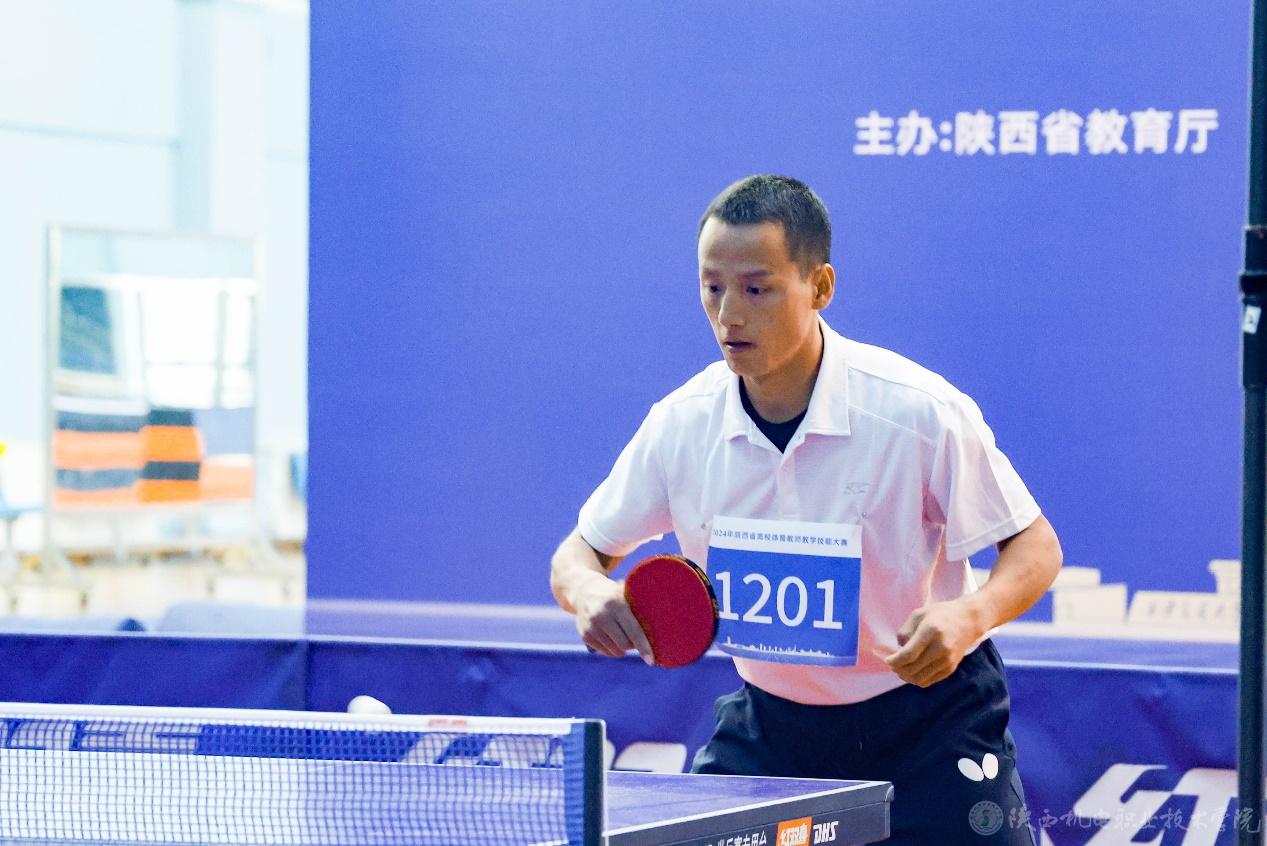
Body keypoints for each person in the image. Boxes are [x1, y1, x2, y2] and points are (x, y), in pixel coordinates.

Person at [549, 174, 1062, 844]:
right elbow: (578, 553)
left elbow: (1035, 547)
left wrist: (971, 614)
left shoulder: (916, 412)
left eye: (755, 289)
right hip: (773, 731)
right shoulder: (681, 424)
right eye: (711, 287)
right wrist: (588, 591)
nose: (728, 314)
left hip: (931, 726)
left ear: (819, 287)